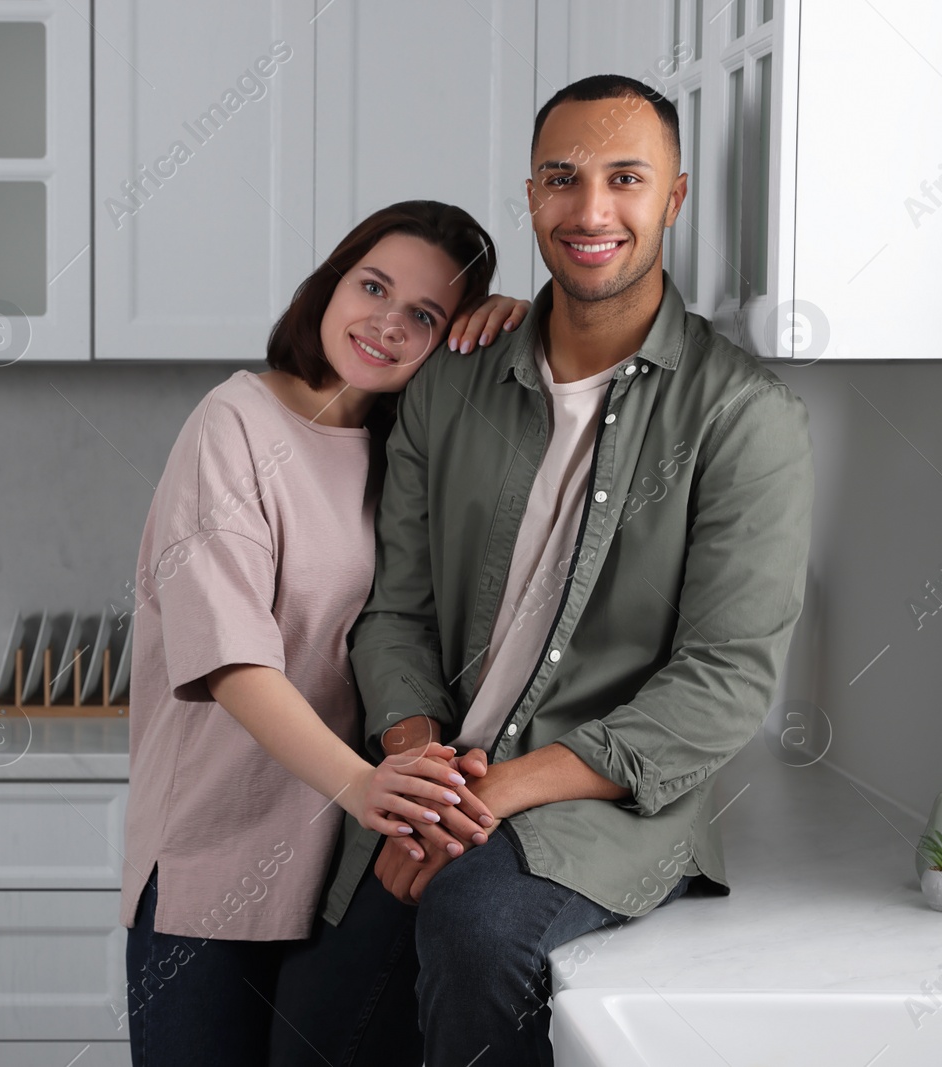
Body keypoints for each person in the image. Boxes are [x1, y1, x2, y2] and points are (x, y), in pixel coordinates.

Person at [316, 74, 815, 1066]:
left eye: (624, 179)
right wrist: (417, 770)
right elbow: (394, 612)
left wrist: (485, 797)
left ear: (671, 200)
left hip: (598, 807)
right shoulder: (449, 380)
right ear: (531, 196)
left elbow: (722, 683)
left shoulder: (743, 415)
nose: (590, 210)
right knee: (312, 1015)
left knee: (474, 924)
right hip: (434, 781)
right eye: (562, 178)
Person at [119, 200, 531, 1066]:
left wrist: (525, 328)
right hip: (214, 863)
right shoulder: (233, 424)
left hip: (337, 865)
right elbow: (232, 662)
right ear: (330, 282)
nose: (385, 323)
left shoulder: (401, 447)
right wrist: (361, 783)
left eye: (424, 315)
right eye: (372, 286)